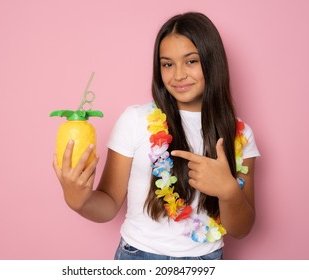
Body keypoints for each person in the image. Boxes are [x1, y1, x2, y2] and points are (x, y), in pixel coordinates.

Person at [53, 12, 260, 260]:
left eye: (191, 61)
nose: (178, 74)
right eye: (167, 64)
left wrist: (228, 190)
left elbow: (242, 228)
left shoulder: (240, 135)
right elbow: (107, 204)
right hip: (138, 257)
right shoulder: (135, 120)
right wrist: (79, 201)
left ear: (212, 61)